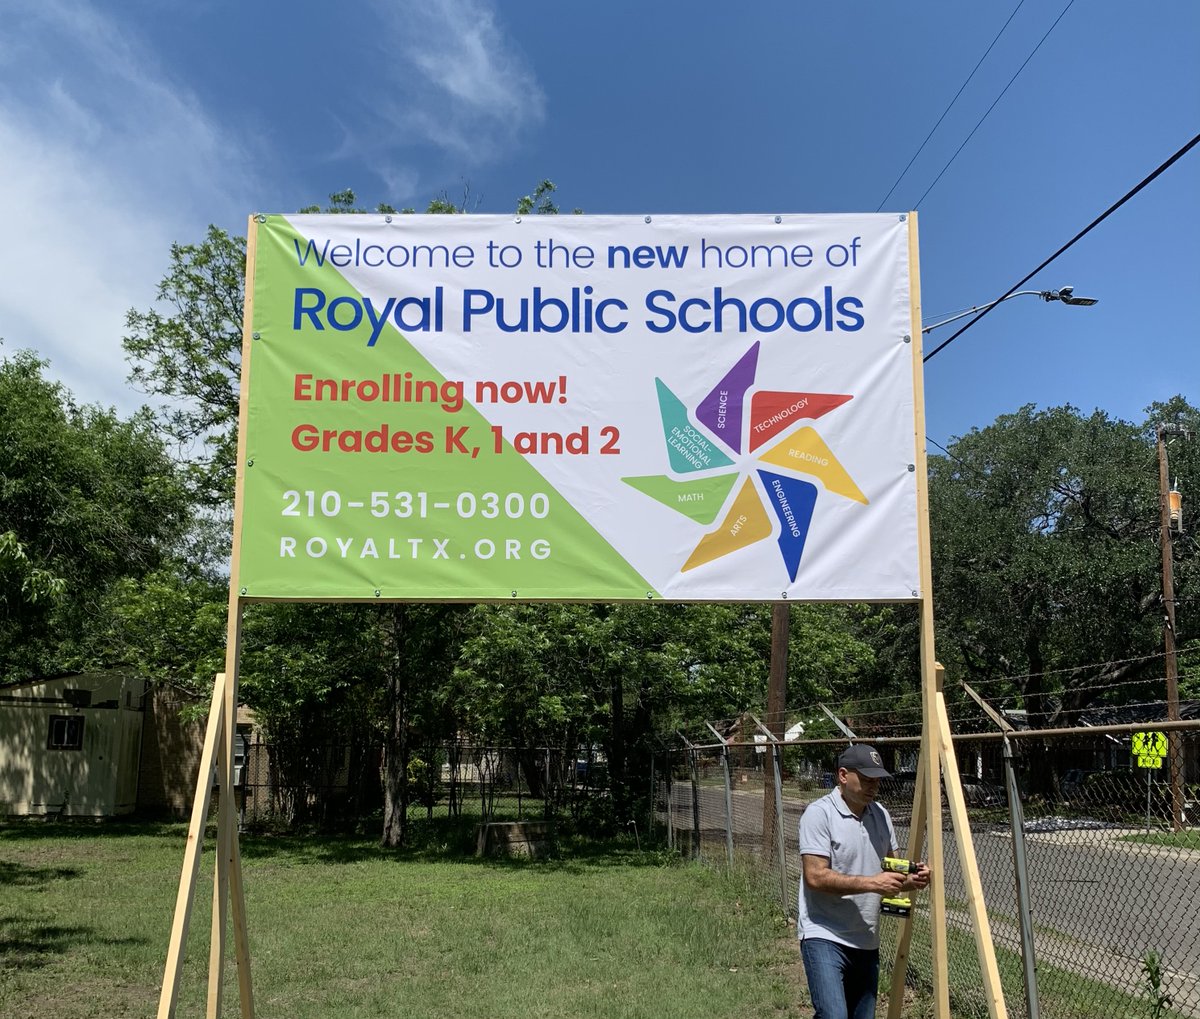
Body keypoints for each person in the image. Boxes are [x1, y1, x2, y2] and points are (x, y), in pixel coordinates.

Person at [797, 744, 930, 1019]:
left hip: (866, 939)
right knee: (833, 1015)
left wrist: (914, 879)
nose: (874, 786)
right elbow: (815, 876)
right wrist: (872, 883)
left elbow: (891, 877)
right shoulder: (819, 814)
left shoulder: (880, 814)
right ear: (843, 775)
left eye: (877, 780)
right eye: (867, 779)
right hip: (824, 934)